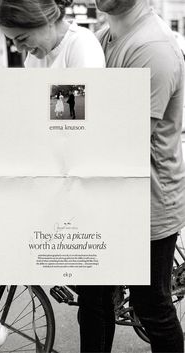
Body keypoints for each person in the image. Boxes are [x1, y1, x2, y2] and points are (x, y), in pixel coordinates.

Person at [0, 1, 105, 352]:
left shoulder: (81, 49)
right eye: (13, 42)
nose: (20, 49)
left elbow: (72, 131)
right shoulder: (37, 57)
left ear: (46, 18)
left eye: (22, 38)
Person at [78, 0, 185, 352]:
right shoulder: (100, 39)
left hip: (146, 206)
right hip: (106, 196)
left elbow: (126, 142)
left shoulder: (152, 49)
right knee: (93, 305)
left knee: (151, 306)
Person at [0, 0, 106, 68]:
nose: (19, 49)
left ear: (49, 19)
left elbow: (82, 106)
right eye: (12, 40)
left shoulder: (82, 44)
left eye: (22, 38)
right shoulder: (34, 57)